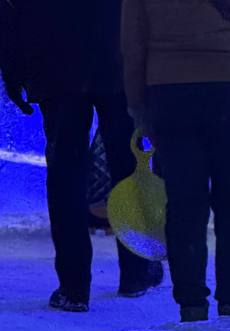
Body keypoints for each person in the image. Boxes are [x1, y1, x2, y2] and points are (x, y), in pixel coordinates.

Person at [121, 0, 230, 322]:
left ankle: (191, 304)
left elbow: (132, 43)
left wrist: (137, 103)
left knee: (184, 205)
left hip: (170, 94)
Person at [0, 0, 164, 312]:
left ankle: (73, 286)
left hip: (54, 65)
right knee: (128, 166)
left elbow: (11, 10)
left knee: (65, 173)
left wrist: (13, 71)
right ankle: (136, 272)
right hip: (116, 61)